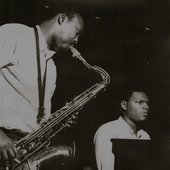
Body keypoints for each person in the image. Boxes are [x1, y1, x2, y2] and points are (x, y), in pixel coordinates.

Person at [0, 5, 84, 170]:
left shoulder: (51, 66)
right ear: (62, 19)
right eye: (77, 31)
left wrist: (57, 121)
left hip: (24, 150)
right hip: (4, 143)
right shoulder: (14, 34)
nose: (77, 41)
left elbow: (34, 114)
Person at [94, 87, 151, 170]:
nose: (146, 107)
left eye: (147, 103)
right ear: (124, 105)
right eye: (140, 102)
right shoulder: (107, 131)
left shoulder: (145, 135)